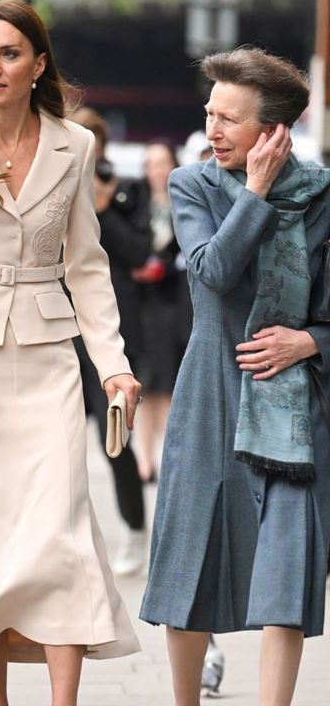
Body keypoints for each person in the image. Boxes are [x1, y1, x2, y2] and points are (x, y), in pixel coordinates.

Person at [0, 0, 142, 705]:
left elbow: (88, 267)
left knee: (59, 535)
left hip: (47, 367)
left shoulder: (75, 145)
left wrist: (115, 366)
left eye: (9, 54)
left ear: (38, 64)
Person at [140, 46, 330, 706]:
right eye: (209, 113)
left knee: (287, 572)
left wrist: (308, 340)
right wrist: (253, 192)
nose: (211, 129)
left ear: (273, 131)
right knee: (189, 570)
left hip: (292, 412)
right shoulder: (193, 186)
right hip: (211, 399)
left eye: (229, 118)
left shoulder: (321, 198)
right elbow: (213, 274)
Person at [69, 106, 154, 575]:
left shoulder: (126, 189)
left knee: (113, 435)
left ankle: (135, 530)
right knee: (57, 439)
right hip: (62, 328)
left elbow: (138, 252)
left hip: (116, 329)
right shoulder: (51, 182)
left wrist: (102, 207)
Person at [131, 140, 192, 484]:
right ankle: (144, 459)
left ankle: (167, 457)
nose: (157, 169)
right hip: (143, 304)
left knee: (169, 384)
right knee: (145, 384)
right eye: (151, 163)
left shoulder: (185, 201)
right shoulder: (135, 202)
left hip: (175, 302)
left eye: (163, 162)